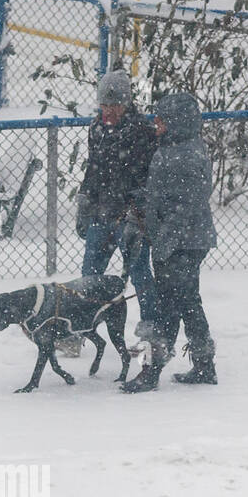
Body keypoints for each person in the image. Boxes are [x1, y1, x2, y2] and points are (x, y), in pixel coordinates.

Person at [121, 91, 217, 392]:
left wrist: (164, 242)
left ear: (177, 122)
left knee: (168, 307)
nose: (156, 124)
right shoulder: (172, 149)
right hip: (179, 241)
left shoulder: (187, 155)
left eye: (161, 120)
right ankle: (203, 365)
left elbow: (186, 206)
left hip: (182, 244)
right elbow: (160, 197)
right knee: (187, 303)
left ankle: (150, 371)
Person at [75, 71, 159, 324]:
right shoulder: (96, 128)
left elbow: (148, 177)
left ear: (126, 104)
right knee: (90, 274)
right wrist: (85, 205)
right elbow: (93, 170)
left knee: (140, 272)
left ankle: (150, 328)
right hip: (101, 213)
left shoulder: (143, 130)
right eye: (104, 105)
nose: (108, 111)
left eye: (114, 106)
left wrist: (138, 212)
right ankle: (81, 326)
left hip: (130, 217)